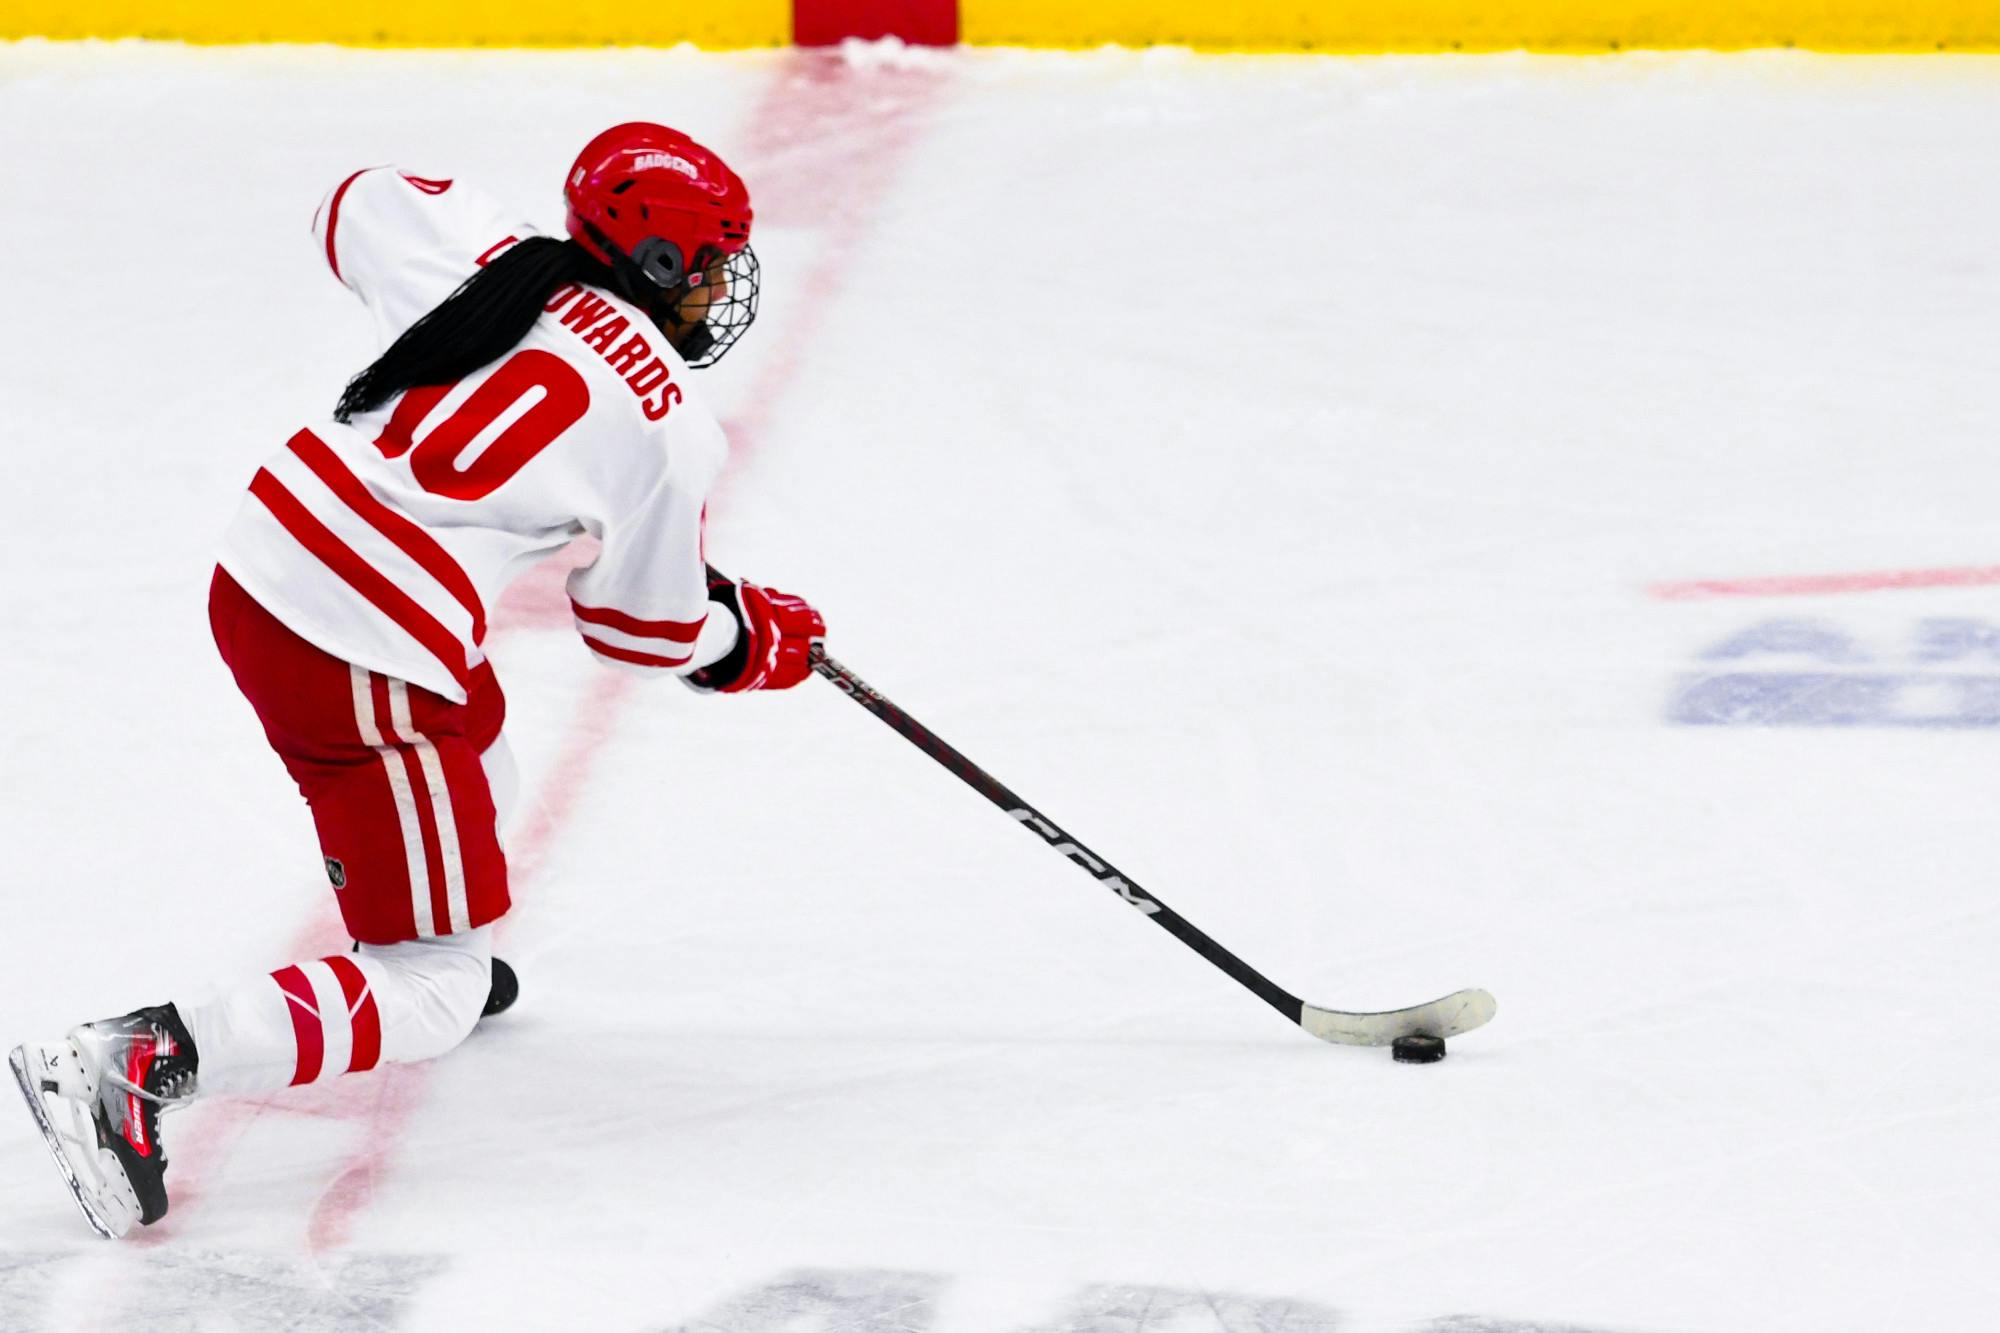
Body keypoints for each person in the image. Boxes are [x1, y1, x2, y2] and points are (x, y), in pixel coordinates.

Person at [7, 123, 824, 1238]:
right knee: (431, 987)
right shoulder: (671, 431)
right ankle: (135, 1057)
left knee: (483, 742)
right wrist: (740, 640)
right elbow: (639, 626)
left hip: (269, 565)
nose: (724, 288)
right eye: (715, 262)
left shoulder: (496, 265)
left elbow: (356, 199)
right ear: (661, 264)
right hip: (361, 645)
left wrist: (502, 265)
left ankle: (429, 935)